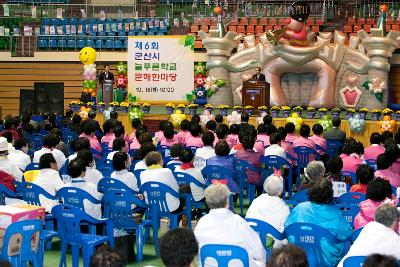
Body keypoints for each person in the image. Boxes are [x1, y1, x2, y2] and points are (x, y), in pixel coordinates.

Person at [194, 183, 266, 267]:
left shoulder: (202, 223)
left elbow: (197, 254)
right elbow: (258, 251)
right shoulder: (239, 222)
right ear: (227, 201)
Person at [285, 179, 352, 266]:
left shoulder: (299, 208)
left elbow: (287, 227)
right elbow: (348, 233)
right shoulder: (335, 214)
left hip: (299, 255)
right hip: (327, 260)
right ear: (329, 196)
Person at [246, 175, 290, 248]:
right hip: (272, 245)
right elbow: (285, 231)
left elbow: (248, 219)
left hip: (254, 241)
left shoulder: (256, 201)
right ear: (280, 190)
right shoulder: (284, 207)